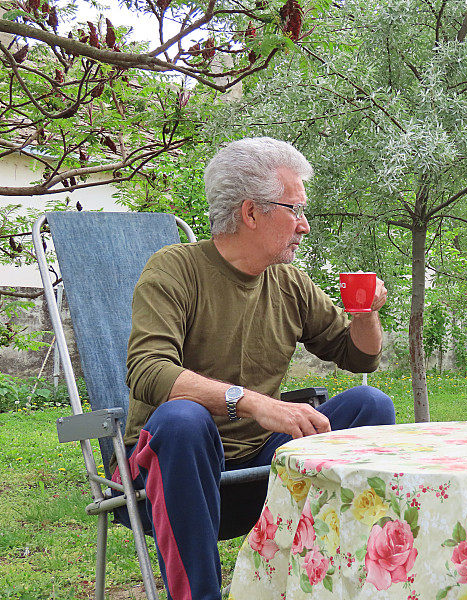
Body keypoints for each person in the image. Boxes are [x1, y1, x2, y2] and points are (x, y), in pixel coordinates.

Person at [111, 137, 396, 600]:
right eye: (295, 210)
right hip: (172, 475)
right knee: (182, 419)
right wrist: (253, 403)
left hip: (262, 471)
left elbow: (359, 357)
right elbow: (147, 369)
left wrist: (365, 315)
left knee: (370, 405)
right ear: (251, 213)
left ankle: (342, 584)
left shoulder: (289, 282)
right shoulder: (174, 270)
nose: (304, 226)